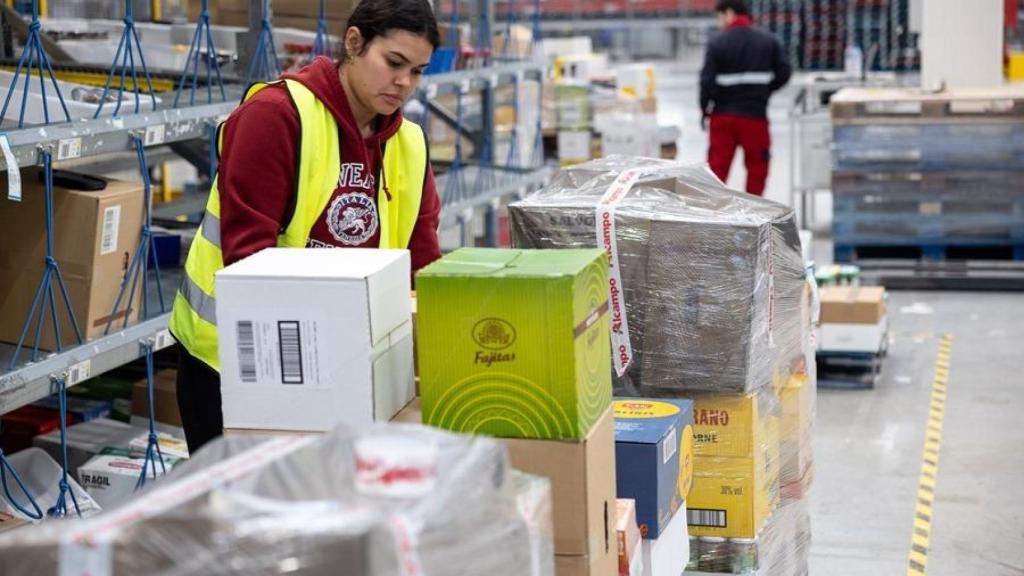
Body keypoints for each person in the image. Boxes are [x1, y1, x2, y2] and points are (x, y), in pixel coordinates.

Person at [169, 0, 442, 453]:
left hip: (343, 368)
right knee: (248, 496)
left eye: (417, 71)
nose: (404, 83)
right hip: (236, 363)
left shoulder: (409, 143)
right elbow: (248, 258)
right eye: (394, 62)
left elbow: (422, 262)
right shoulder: (276, 115)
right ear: (354, 42)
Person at [699, 0, 791, 196]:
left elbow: (706, 82)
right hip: (755, 115)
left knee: (717, 169)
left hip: (723, 116)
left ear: (729, 12)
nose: (719, 23)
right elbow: (784, 72)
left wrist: (704, 109)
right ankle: (754, 209)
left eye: (720, 17)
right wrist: (765, 91)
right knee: (757, 168)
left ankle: (713, 211)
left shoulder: (717, 42)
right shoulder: (768, 40)